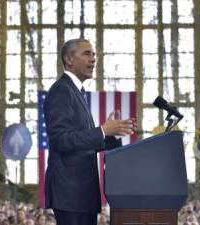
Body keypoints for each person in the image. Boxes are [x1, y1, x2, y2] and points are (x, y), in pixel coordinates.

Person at [43, 38, 136, 225]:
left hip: (81, 195)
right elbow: (61, 140)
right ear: (68, 59)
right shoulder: (61, 91)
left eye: (94, 55)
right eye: (86, 54)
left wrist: (110, 134)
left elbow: (84, 143)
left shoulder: (77, 92)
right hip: (70, 194)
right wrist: (102, 130)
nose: (93, 59)